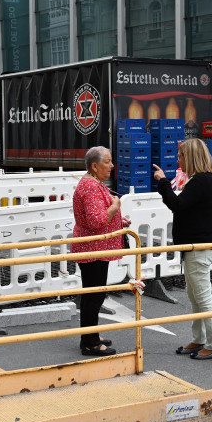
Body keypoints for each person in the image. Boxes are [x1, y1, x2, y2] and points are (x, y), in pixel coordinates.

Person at [152, 139, 212, 360]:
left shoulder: (202, 181)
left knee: (202, 296)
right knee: (195, 295)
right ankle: (200, 338)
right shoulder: (201, 180)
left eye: (180, 156)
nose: (178, 159)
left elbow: (178, 205)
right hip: (196, 246)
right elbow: (182, 206)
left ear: (190, 157)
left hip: (199, 247)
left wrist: (163, 182)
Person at [72, 146, 130, 357]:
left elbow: (94, 217)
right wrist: (115, 208)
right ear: (94, 166)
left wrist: (118, 219)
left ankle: (91, 335)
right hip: (92, 248)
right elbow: (96, 221)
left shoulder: (93, 183)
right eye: (108, 162)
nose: (112, 166)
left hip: (93, 247)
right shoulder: (91, 187)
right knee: (94, 295)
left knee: (93, 294)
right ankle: (89, 342)